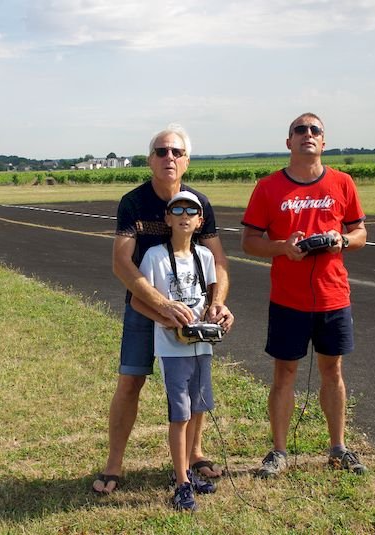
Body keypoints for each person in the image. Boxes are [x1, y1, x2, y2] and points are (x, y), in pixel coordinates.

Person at [92, 124, 235, 495]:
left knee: (194, 384)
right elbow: (121, 263)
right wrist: (161, 304)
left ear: (186, 161)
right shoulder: (133, 202)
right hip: (144, 308)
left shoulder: (199, 203)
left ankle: (194, 453)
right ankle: (114, 463)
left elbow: (218, 261)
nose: (168, 157)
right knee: (131, 381)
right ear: (149, 160)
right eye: (161, 151)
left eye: (176, 152)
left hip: (192, 315)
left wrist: (217, 303)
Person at [240, 113, 369, 477]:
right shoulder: (268, 187)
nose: (307, 134)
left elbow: (360, 233)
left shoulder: (342, 182)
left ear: (323, 142)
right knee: (284, 373)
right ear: (289, 142)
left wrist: (341, 240)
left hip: (333, 296)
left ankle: (338, 447)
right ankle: (279, 451)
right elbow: (249, 241)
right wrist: (283, 247)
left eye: (315, 130)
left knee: (333, 370)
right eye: (300, 130)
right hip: (288, 299)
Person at [139, 191, 221, 511]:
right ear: (167, 219)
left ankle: (186, 470)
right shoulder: (155, 257)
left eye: (191, 211)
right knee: (180, 413)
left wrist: (217, 314)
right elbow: (138, 301)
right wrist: (165, 319)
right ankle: (182, 483)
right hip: (172, 349)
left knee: (198, 407)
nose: (184, 216)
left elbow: (212, 298)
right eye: (177, 210)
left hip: (201, 346)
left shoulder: (205, 257)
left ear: (200, 221)